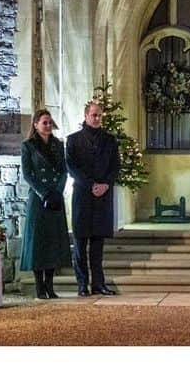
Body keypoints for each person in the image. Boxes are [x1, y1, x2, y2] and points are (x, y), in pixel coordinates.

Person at [66, 100, 121, 295]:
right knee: (80, 243)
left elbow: (115, 166)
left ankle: (98, 284)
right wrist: (91, 185)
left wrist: (106, 184)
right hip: (83, 195)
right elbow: (72, 167)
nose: (97, 118)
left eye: (100, 115)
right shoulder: (73, 140)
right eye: (94, 115)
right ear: (86, 116)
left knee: (97, 244)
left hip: (102, 196)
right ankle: (82, 284)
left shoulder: (110, 140)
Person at [20, 109, 71, 299]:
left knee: (52, 241)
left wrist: (57, 192)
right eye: (44, 122)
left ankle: (50, 285)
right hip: (39, 198)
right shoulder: (28, 146)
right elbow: (27, 173)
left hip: (55, 198)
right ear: (35, 124)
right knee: (38, 241)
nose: (48, 126)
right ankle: (39, 286)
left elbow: (64, 171)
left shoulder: (58, 144)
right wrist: (44, 193)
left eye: (50, 122)